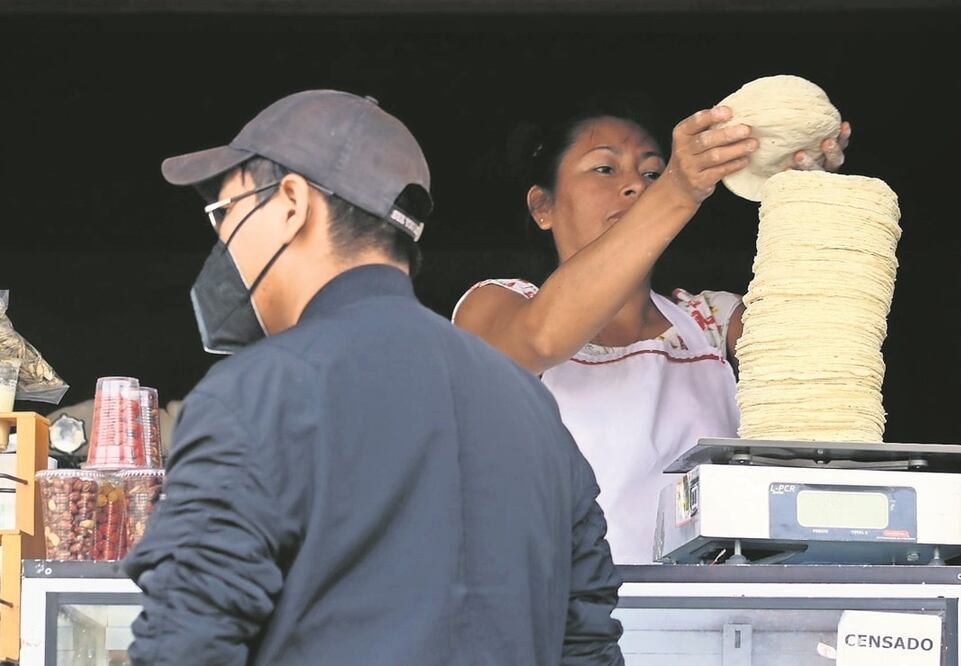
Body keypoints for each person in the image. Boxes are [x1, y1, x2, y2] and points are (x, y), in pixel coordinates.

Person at [123, 90, 624, 666]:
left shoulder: (257, 393)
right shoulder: (536, 412)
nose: (224, 240)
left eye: (228, 210)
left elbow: (185, 643)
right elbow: (588, 645)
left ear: (290, 202)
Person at [453, 95, 849, 564]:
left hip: (707, 623)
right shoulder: (497, 304)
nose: (634, 188)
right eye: (604, 169)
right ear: (543, 206)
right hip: (555, 624)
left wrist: (805, 197)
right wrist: (677, 189)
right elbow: (541, 339)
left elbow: (823, 360)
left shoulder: (711, 322)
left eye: (652, 174)